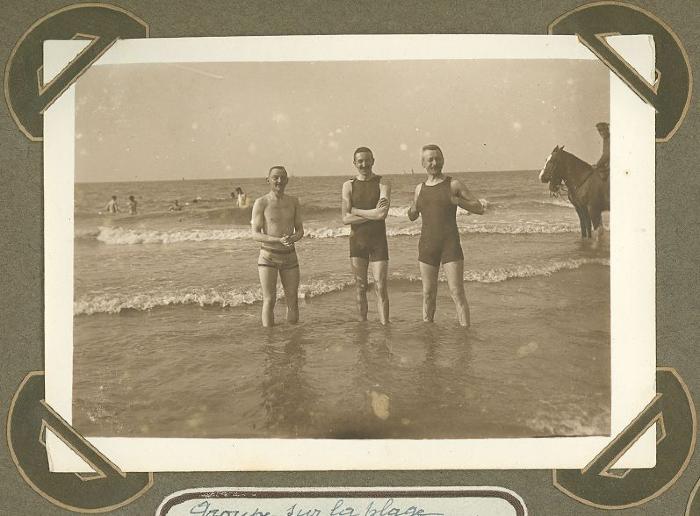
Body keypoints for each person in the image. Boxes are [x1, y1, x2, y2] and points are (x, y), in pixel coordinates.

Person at [407, 144, 484, 327]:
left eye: (438, 158)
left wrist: (458, 201)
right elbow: (412, 216)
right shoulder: (419, 188)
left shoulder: (453, 184)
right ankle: (428, 334)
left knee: (457, 292)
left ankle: (466, 336)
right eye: (430, 159)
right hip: (427, 246)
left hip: (450, 245)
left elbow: (479, 208)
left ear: (443, 160)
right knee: (428, 293)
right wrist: (413, 208)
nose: (435, 162)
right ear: (423, 163)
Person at [341, 147, 391, 324]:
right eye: (360, 161)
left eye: (367, 160)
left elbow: (381, 215)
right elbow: (346, 218)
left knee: (381, 286)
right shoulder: (348, 186)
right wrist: (370, 213)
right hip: (357, 242)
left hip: (379, 242)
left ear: (373, 161)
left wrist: (355, 210)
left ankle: (385, 326)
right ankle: (363, 326)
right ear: (354, 163)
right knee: (360, 287)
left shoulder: (382, 184)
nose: (364, 164)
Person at [251, 166, 304, 327]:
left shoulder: (294, 201)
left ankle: (293, 338)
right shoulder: (261, 202)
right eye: (275, 177)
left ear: (287, 180)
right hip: (268, 256)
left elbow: (300, 229)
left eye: (282, 177)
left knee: (292, 299)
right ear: (268, 180)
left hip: (290, 256)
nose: (279, 181)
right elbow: (255, 234)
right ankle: (269, 340)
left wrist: (293, 238)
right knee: (269, 299)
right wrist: (277, 240)